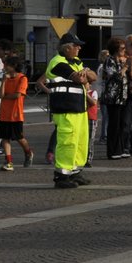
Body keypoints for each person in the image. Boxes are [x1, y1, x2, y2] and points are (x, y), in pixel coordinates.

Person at [45, 34, 95, 189]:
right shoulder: (57, 63)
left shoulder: (76, 62)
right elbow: (80, 79)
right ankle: (61, 176)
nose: (79, 48)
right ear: (67, 48)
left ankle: (75, 171)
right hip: (65, 109)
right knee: (67, 141)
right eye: (76, 45)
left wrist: (86, 73)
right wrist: (85, 75)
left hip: (79, 109)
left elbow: (93, 76)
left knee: (80, 142)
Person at [0, 56, 34, 169]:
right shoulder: (5, 78)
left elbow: (18, 95)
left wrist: (6, 96)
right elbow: (1, 95)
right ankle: (8, 161)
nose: (4, 67)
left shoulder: (22, 78)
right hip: (4, 113)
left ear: (13, 66)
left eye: (6, 65)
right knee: (5, 138)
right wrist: (4, 80)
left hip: (16, 114)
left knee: (19, 137)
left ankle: (28, 152)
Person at [98, 38, 131, 160]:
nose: (124, 50)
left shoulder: (119, 61)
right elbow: (115, 77)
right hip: (113, 98)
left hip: (122, 97)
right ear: (116, 49)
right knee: (114, 124)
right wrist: (125, 67)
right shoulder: (109, 61)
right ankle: (112, 151)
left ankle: (120, 149)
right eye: (122, 48)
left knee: (122, 124)